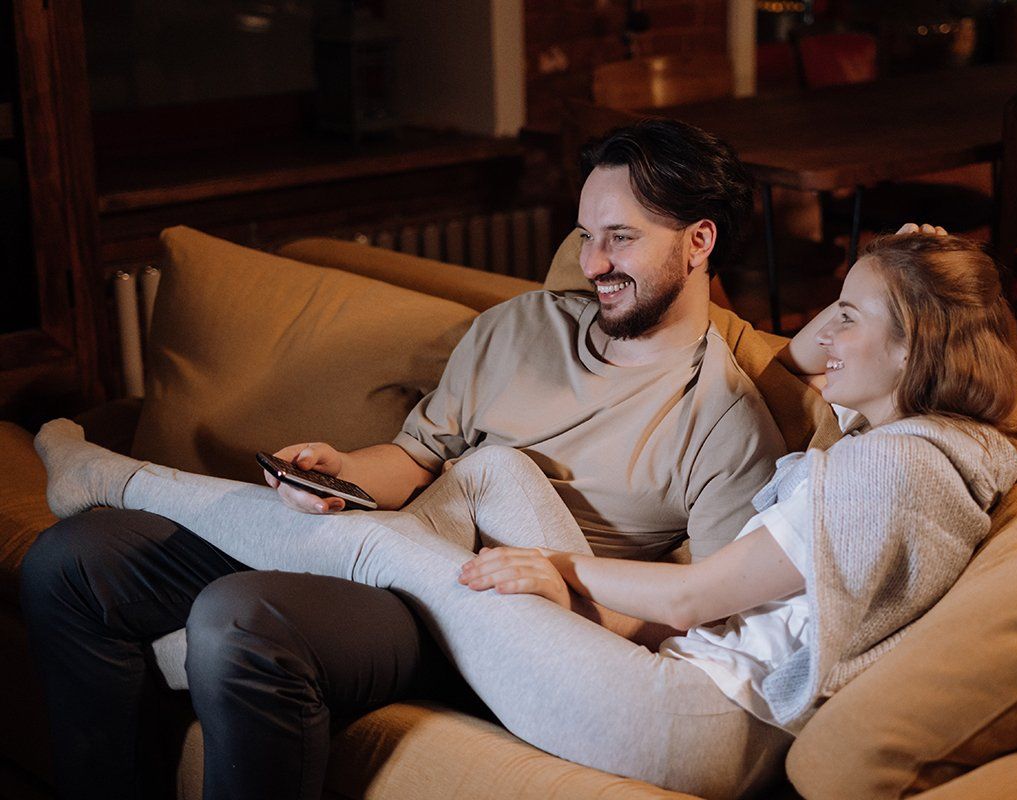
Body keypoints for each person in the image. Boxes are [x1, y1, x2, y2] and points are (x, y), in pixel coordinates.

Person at [29, 227, 1017, 798]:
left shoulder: (897, 468)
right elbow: (807, 364)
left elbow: (699, 590)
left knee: (381, 542)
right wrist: (899, 269)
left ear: (910, 354)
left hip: (693, 721)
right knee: (498, 465)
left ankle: (110, 480)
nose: (820, 332)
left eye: (850, 313)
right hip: (692, 679)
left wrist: (559, 574)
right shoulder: (892, 444)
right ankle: (346, 555)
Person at [20, 119, 789, 800]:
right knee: (76, 559)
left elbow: (710, 619)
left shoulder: (724, 422)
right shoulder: (520, 327)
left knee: (240, 620)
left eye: (620, 237)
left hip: (478, 617)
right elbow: (417, 457)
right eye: (586, 235)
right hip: (396, 536)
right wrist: (341, 471)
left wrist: (566, 592)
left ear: (699, 241)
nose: (592, 263)